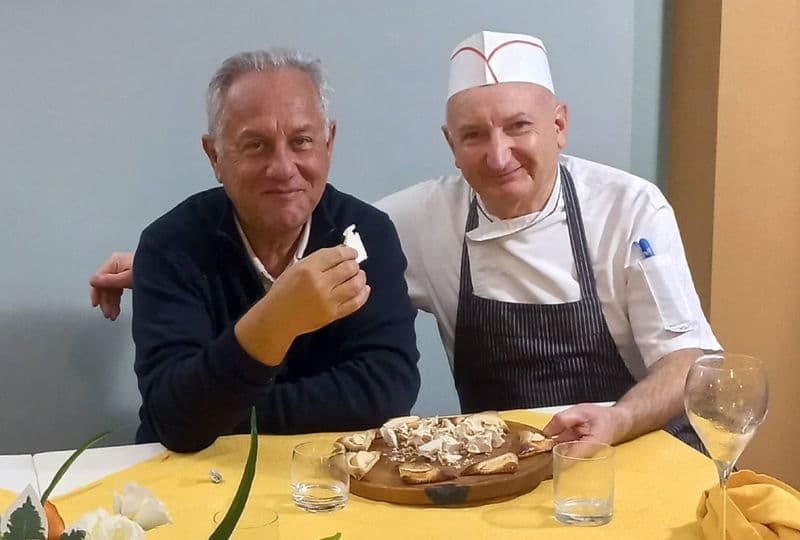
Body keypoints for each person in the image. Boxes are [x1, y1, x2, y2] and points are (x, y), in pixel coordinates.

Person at [91, 31, 720, 449]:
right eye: (473, 135)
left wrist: (619, 419)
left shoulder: (631, 208)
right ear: (450, 144)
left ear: (559, 125)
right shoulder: (419, 218)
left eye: (519, 127)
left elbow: (688, 360)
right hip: (504, 466)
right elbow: (283, 219)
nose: (499, 155)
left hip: (636, 444)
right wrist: (156, 264)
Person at [114, 48, 420, 452]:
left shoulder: (368, 234)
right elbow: (175, 419)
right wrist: (277, 319)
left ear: (328, 144)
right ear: (215, 156)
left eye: (302, 141)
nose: (283, 167)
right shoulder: (171, 245)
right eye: (256, 145)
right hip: (196, 478)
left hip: (332, 472)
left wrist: (227, 410)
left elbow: (386, 392)